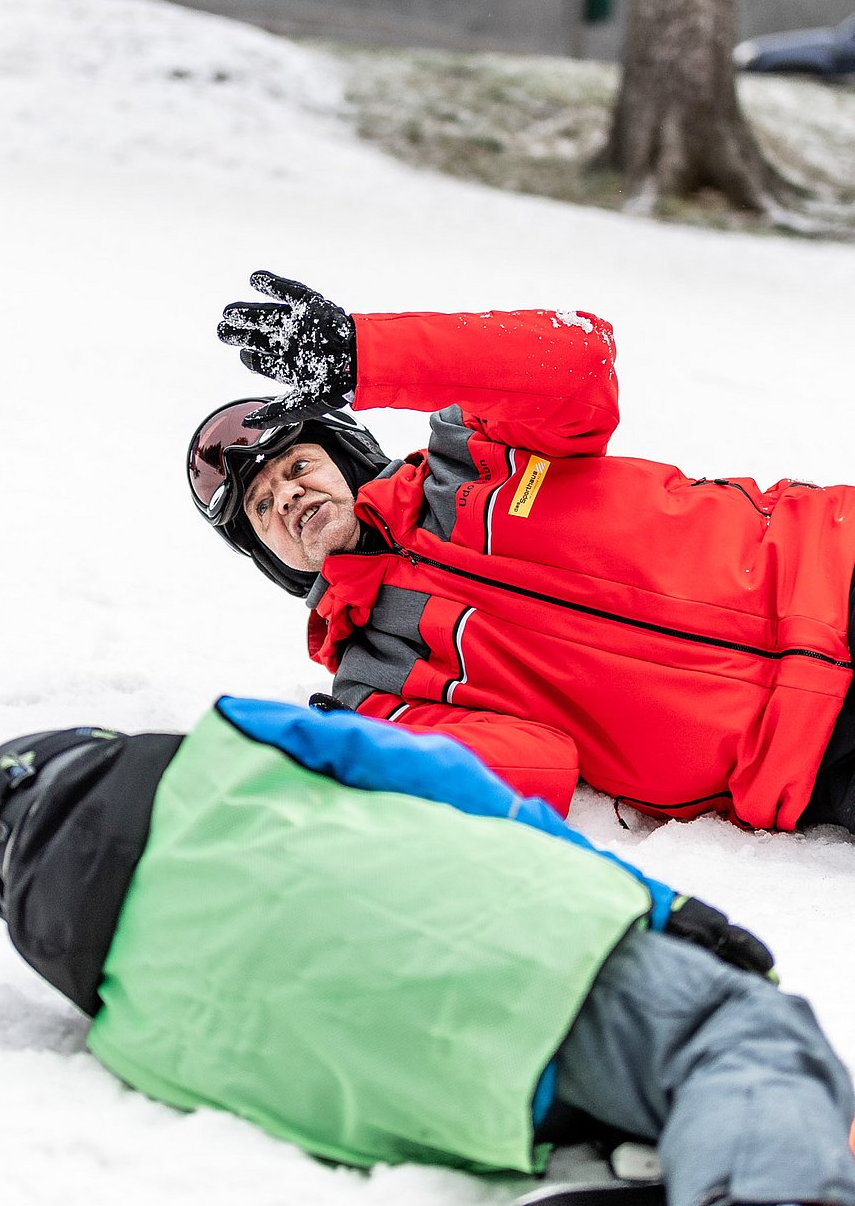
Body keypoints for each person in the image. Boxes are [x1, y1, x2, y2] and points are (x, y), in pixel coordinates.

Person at [0, 694, 855, 1206]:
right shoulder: (224, 746)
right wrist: (659, 905)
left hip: (472, 1096)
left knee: (664, 1072)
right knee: (737, 1028)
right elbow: (444, 779)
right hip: (530, 943)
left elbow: (289, 1107)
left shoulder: (123, 1030)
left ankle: (717, 1146)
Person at [187, 271, 855, 832]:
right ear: (268, 553)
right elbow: (540, 765)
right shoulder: (374, 688)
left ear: (345, 454)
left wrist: (368, 354)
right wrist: (372, 754)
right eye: (263, 507)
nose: (289, 499)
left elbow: (580, 357)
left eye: (298, 468)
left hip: (831, 564)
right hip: (809, 757)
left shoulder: (470, 455)